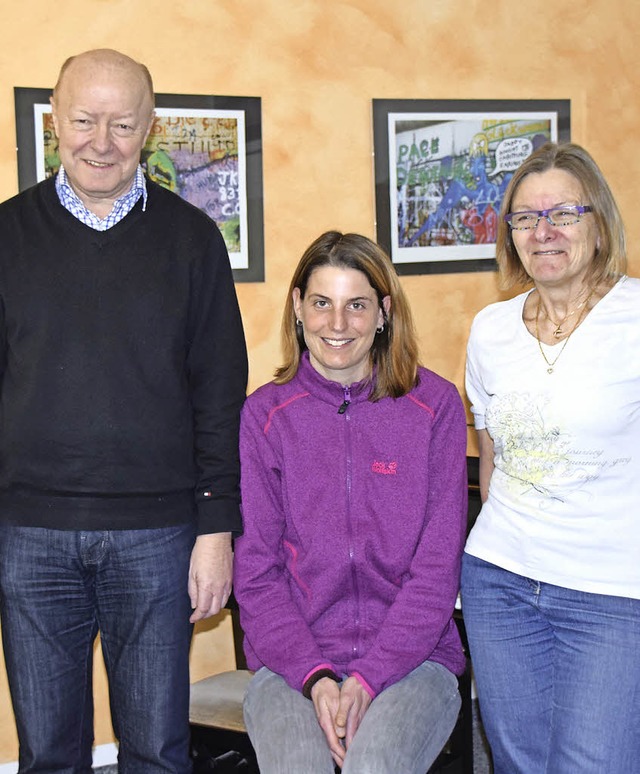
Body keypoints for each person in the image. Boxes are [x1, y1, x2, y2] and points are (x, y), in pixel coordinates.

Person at [0, 49, 247, 773]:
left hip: (158, 538)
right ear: (54, 121)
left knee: (159, 752)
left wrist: (215, 530)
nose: (100, 142)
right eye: (83, 121)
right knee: (47, 753)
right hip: (29, 535)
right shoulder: (6, 237)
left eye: (121, 124)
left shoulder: (192, 241)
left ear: (151, 129)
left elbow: (218, 394)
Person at [233, 231, 468, 773]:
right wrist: (316, 678)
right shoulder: (265, 418)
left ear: (384, 312)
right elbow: (258, 575)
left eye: (356, 305)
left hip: (415, 661)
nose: (337, 325)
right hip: (292, 664)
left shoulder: (434, 408)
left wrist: (368, 678)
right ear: (297, 308)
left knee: (374, 765)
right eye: (321, 303)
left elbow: (435, 574)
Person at [462, 142, 640, 774]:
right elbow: (492, 460)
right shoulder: (491, 329)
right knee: (518, 763)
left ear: (599, 223)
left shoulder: (634, 320)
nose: (543, 232)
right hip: (500, 582)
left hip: (613, 594)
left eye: (563, 213)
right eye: (524, 218)